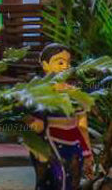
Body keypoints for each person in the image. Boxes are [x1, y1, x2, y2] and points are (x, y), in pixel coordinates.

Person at [26, 44, 93, 190]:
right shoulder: (37, 92)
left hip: (75, 146)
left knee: (73, 183)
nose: (66, 66)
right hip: (49, 145)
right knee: (52, 182)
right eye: (60, 62)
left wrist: (88, 152)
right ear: (45, 65)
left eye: (68, 62)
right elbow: (32, 123)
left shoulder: (76, 93)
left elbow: (82, 126)